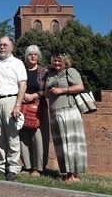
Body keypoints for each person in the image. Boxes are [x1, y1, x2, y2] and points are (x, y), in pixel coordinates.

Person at [43, 51, 87, 183]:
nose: (56, 63)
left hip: (69, 110)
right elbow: (45, 95)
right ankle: (67, 173)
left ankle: (75, 174)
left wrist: (62, 90)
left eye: (59, 61)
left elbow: (80, 86)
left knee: (72, 143)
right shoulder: (50, 75)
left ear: (65, 62)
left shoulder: (70, 71)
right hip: (55, 112)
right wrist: (47, 92)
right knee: (61, 144)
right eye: (55, 61)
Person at [0, 36, 27, 181]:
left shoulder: (17, 63)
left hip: (11, 100)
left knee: (12, 136)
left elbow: (23, 85)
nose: (2, 47)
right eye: (0, 45)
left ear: (12, 47)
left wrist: (18, 105)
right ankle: (1, 167)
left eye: (5, 45)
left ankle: (13, 168)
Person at [20, 45, 49, 176]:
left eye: (35, 54)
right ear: (27, 56)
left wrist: (34, 95)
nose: (32, 56)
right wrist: (23, 95)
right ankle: (26, 166)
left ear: (38, 57)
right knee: (23, 136)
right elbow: (16, 85)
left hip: (38, 106)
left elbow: (47, 89)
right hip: (22, 105)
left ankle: (38, 167)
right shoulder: (21, 70)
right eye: (30, 54)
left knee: (37, 137)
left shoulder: (43, 71)